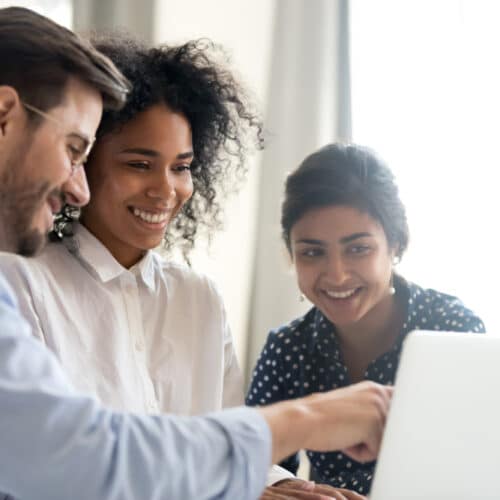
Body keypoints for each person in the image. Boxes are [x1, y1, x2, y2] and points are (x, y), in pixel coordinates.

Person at [0, 7, 392, 500]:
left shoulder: (197, 298)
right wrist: (310, 419)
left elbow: (213, 445)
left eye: (181, 167)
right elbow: (84, 461)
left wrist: (268, 484)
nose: (164, 190)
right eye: (76, 151)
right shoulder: (19, 283)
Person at [246, 143, 486, 496]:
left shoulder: (452, 330)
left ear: (396, 244)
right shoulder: (287, 348)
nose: (337, 275)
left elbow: (476, 464)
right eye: (312, 252)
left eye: (358, 249)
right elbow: (254, 460)